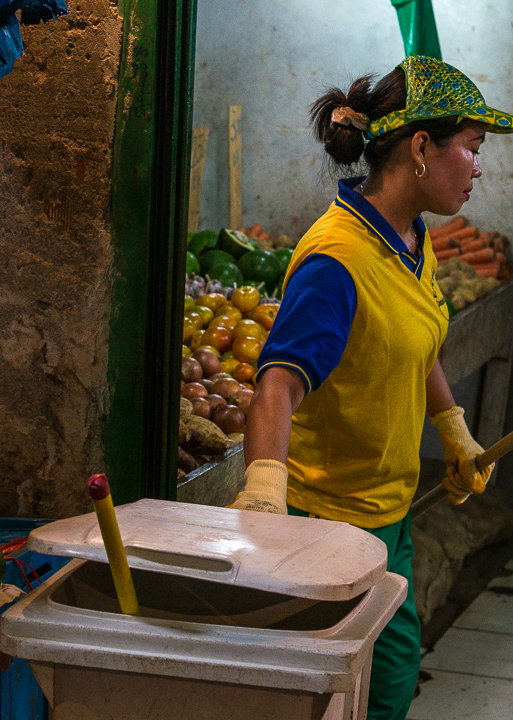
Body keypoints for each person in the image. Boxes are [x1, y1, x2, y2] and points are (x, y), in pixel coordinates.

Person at [231, 55, 507, 720]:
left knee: (389, 680)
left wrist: (453, 429)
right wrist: (265, 494)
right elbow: (277, 385)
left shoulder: (410, 239)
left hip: (387, 519)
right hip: (326, 531)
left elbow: (414, 343)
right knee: (349, 697)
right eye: (472, 148)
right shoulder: (338, 261)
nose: (479, 167)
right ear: (421, 148)